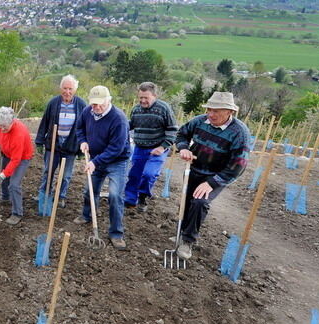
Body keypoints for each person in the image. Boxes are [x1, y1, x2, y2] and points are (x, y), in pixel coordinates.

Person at [173, 92, 251, 260]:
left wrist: (212, 182)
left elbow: (238, 165)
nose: (211, 114)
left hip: (216, 175)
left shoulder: (239, 132)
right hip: (194, 168)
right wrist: (183, 147)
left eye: (217, 111)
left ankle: (187, 241)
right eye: (209, 109)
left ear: (230, 112)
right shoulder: (200, 121)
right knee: (187, 202)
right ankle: (180, 232)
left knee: (200, 202)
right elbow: (181, 134)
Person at [75, 86, 131, 250]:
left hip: (117, 161)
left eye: (100, 104)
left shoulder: (118, 119)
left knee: (115, 195)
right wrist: (83, 141)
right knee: (89, 190)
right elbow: (80, 128)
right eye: (94, 104)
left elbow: (116, 149)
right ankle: (87, 215)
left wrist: (95, 162)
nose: (97, 108)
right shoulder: (87, 112)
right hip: (96, 158)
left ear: (109, 100)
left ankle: (116, 233)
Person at [125, 82, 178, 213]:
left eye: (146, 98)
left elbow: (172, 130)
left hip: (157, 149)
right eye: (140, 97)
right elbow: (131, 125)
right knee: (134, 175)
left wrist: (163, 147)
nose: (143, 100)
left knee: (149, 174)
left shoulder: (163, 108)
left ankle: (142, 197)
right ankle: (130, 200)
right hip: (139, 148)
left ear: (154, 96)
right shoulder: (136, 109)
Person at [34, 75, 86, 209]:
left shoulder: (81, 104)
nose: (67, 92)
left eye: (70, 89)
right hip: (53, 144)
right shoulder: (53, 103)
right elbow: (44, 122)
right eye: (65, 88)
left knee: (66, 175)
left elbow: (85, 127)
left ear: (75, 89)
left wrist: (81, 149)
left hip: (71, 146)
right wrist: (39, 141)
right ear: (60, 88)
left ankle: (61, 196)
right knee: (48, 171)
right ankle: (44, 194)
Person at [0, 106, 33, 225]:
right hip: (6, 153)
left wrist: (2, 175)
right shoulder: (1, 124)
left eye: (4, 126)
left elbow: (16, 160)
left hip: (22, 158)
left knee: (14, 184)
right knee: (5, 177)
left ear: (12, 122)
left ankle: (17, 213)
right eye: (0, 125)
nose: (2, 128)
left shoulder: (19, 134)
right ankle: (5, 197)